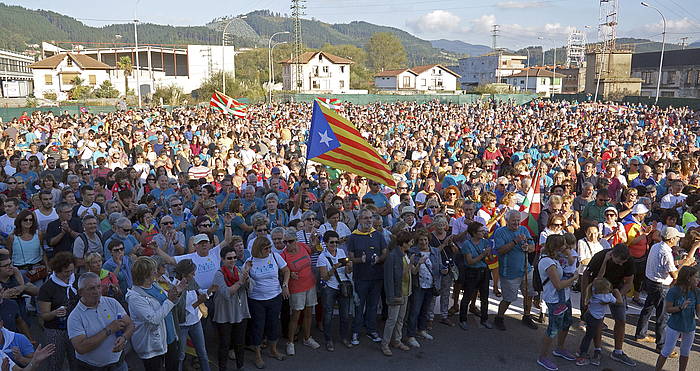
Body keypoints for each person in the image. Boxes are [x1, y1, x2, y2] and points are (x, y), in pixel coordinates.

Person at [635, 227, 691, 351]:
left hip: (651, 281)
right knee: (663, 316)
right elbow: (674, 275)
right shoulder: (666, 252)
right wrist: (684, 264)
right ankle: (662, 346)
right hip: (660, 285)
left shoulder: (657, 246)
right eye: (676, 237)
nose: (678, 239)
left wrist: (680, 262)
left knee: (648, 309)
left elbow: (665, 264)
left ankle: (640, 334)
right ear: (671, 239)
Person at [126, 256, 184, 371]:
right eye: (153, 270)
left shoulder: (154, 285)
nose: (156, 272)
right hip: (152, 344)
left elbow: (170, 303)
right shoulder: (135, 297)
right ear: (145, 275)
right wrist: (170, 300)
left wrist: (177, 293)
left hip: (169, 336)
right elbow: (153, 319)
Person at [68, 271, 134, 371]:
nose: (97, 291)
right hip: (91, 368)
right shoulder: (75, 317)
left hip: (118, 364)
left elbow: (130, 325)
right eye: (91, 288)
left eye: (99, 286)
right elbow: (81, 348)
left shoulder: (112, 303)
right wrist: (109, 329)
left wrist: (124, 338)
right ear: (80, 292)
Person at [584, 244, 637, 366]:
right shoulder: (600, 256)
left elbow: (629, 283)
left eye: (623, 262)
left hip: (616, 290)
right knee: (598, 320)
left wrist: (616, 297)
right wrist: (585, 298)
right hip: (598, 290)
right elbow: (590, 276)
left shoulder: (628, 261)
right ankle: (597, 349)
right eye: (618, 262)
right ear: (612, 255)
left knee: (621, 319)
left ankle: (618, 351)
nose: (621, 265)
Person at [244, 236, 290, 369]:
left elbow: (286, 270)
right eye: (266, 248)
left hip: (274, 296)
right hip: (256, 299)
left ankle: (273, 350)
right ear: (258, 249)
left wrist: (285, 285)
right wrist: (246, 271)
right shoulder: (250, 261)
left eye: (270, 247)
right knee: (258, 327)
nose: (269, 250)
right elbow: (244, 280)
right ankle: (257, 355)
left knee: (273, 324)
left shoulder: (275, 257)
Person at [536, 235, 578, 371]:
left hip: (564, 297)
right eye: (563, 246)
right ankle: (542, 356)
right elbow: (558, 285)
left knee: (566, 323)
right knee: (553, 329)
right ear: (556, 248)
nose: (565, 249)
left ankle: (560, 348)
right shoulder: (547, 262)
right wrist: (574, 278)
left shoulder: (554, 258)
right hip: (554, 300)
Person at [347, 208, 387, 345]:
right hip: (360, 278)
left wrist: (379, 259)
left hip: (376, 277)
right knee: (359, 306)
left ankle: (371, 330)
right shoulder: (353, 236)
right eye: (365, 218)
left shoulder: (378, 235)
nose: (368, 220)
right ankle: (356, 331)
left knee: (373, 306)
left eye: (370, 218)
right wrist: (360, 260)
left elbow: (385, 253)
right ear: (359, 219)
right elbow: (350, 258)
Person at [493, 210, 537, 331]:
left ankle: (527, 316)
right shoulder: (500, 232)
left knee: (529, 295)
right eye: (514, 220)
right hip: (509, 273)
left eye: (518, 220)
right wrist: (515, 242)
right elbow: (500, 250)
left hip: (526, 270)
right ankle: (499, 318)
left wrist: (528, 248)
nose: (517, 223)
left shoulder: (524, 230)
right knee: (508, 298)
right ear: (507, 221)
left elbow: (533, 247)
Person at [280, 228, 320, 355]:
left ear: (296, 240)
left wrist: (315, 242)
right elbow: (281, 272)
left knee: (308, 313)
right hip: (296, 288)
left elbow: (313, 250)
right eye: (284, 242)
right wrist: (290, 274)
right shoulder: (283, 255)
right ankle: (290, 342)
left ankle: (307, 338)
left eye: (290, 241)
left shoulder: (303, 246)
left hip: (310, 284)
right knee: (295, 315)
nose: (287, 245)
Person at [210, 245, 249, 371]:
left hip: (239, 311)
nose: (232, 260)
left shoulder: (238, 270)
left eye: (234, 257)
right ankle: (223, 368)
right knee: (225, 344)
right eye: (229, 258)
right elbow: (226, 293)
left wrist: (247, 280)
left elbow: (250, 288)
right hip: (225, 313)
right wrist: (240, 282)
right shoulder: (219, 274)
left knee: (240, 342)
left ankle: (240, 366)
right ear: (222, 259)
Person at [37, 252, 77, 371]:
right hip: (56, 330)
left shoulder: (76, 280)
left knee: (77, 362)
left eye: (71, 271)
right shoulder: (47, 288)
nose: (69, 274)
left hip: (75, 327)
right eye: (66, 272)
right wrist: (54, 313)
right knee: (55, 363)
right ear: (57, 270)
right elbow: (44, 315)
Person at [654, 266, 699, 371]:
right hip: (674, 325)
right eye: (696, 277)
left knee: (685, 351)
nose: (698, 280)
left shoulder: (696, 291)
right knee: (667, 350)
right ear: (688, 278)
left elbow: (698, 310)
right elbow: (668, 309)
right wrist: (681, 307)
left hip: (690, 326)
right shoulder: (674, 291)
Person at [405, 230, 442, 348]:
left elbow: (439, 266)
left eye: (425, 239)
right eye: (421, 240)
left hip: (431, 285)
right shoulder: (412, 252)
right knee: (414, 310)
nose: (423, 242)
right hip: (418, 285)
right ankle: (410, 335)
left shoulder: (435, 251)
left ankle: (422, 330)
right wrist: (419, 263)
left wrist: (443, 270)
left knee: (425, 310)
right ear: (417, 241)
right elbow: (411, 270)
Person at [317, 230, 353, 351]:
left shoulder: (342, 251)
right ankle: (328, 340)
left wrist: (349, 267)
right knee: (327, 315)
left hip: (343, 286)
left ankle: (344, 338)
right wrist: (333, 268)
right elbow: (324, 277)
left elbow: (347, 272)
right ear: (326, 243)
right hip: (330, 288)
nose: (334, 245)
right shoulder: (322, 257)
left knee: (345, 315)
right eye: (331, 242)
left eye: (336, 242)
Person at [380, 230, 414, 356]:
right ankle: (385, 344)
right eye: (410, 242)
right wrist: (391, 296)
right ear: (403, 243)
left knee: (400, 319)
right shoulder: (393, 256)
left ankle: (397, 341)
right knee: (392, 320)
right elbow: (388, 278)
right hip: (396, 293)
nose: (412, 243)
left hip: (405, 291)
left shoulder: (406, 254)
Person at [172, 259, 210, 371]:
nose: (194, 274)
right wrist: (198, 302)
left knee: (202, 352)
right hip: (182, 325)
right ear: (184, 274)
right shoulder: (174, 287)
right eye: (192, 273)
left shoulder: (191, 281)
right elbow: (179, 309)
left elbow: (199, 292)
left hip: (195, 321)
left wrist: (210, 291)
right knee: (180, 356)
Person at [576, 277, 622, 366]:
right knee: (589, 337)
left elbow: (597, 280)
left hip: (589, 314)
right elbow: (619, 302)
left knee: (588, 336)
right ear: (604, 290)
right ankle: (582, 355)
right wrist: (616, 291)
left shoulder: (593, 290)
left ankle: (581, 351)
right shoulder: (605, 297)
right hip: (595, 319)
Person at [459, 222, 493, 330]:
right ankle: (463, 319)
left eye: (484, 231)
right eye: (481, 231)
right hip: (471, 272)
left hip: (484, 271)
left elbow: (490, 259)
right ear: (474, 233)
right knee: (467, 296)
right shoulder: (467, 244)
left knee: (484, 297)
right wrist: (483, 254)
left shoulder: (485, 242)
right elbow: (470, 261)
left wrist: (489, 253)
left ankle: (484, 319)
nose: (483, 233)